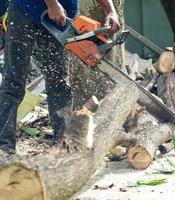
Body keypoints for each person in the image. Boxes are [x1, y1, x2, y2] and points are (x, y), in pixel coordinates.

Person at [0, 0, 120, 155]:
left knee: (59, 80)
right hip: (25, 9)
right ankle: (4, 147)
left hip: (60, 16)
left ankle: (63, 144)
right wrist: (52, 4)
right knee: (14, 81)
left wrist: (110, 11)